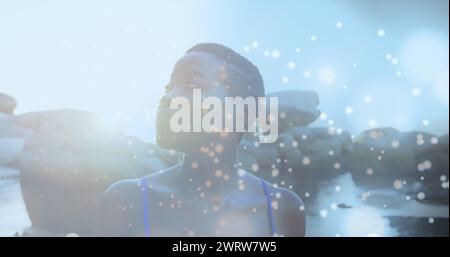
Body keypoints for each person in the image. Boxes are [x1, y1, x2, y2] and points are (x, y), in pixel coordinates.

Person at [95, 43, 305, 237]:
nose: (167, 97)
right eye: (170, 87)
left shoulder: (283, 209)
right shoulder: (126, 200)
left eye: (193, 86)